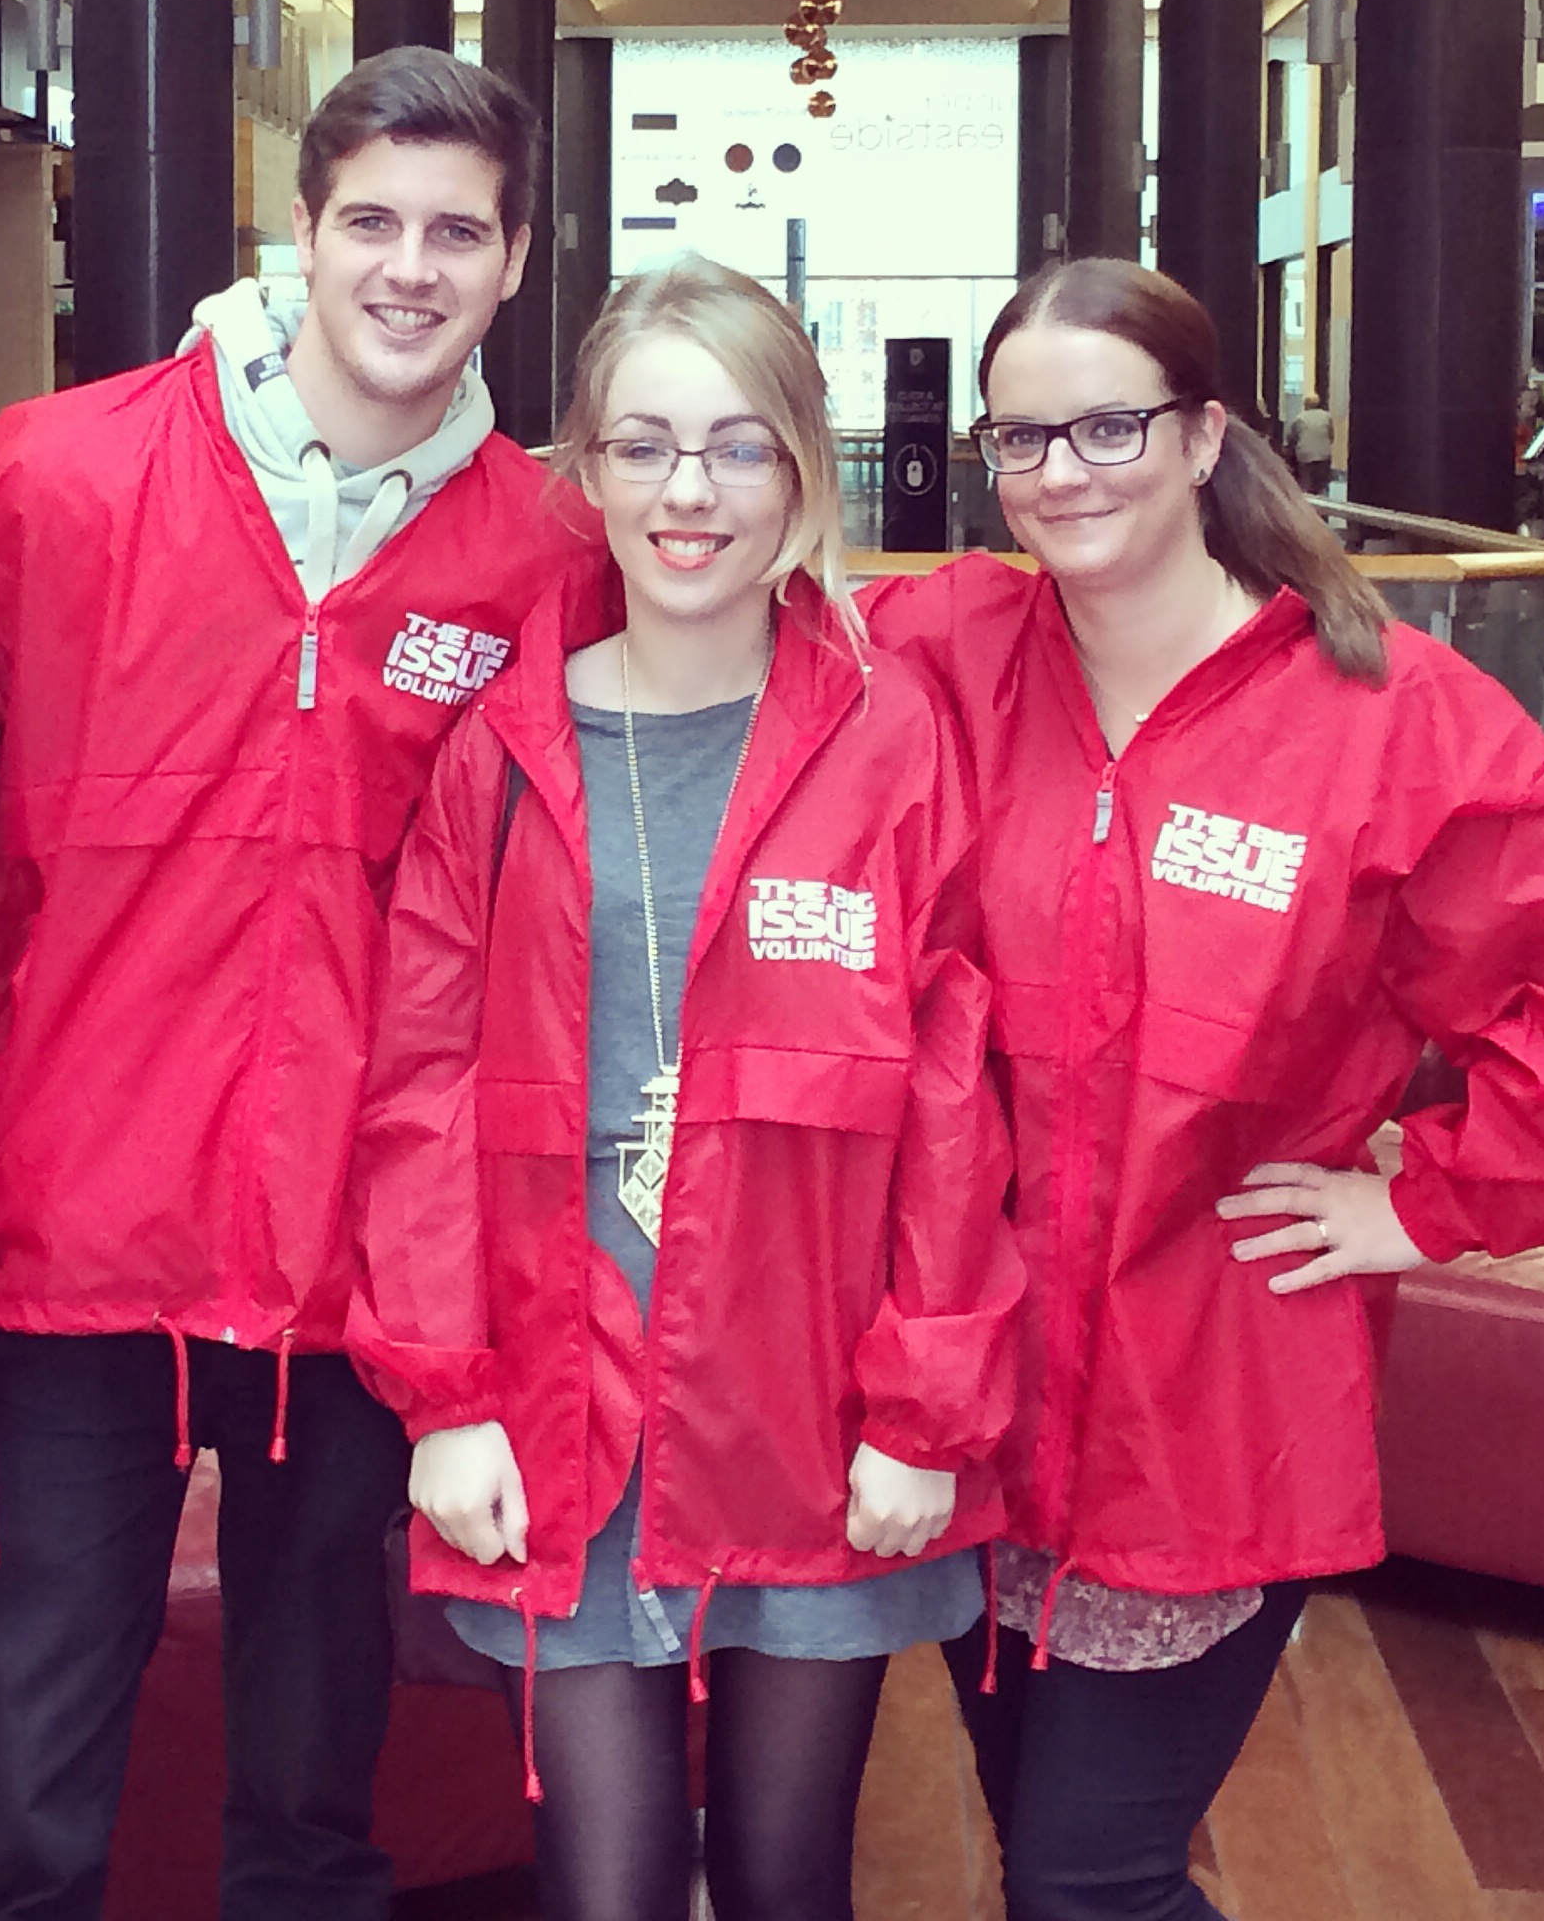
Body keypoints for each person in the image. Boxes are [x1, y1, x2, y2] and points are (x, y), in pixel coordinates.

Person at [860, 257, 1544, 1921]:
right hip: (971, 1387)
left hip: (1210, 1397)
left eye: (1109, 425)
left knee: (1090, 1880)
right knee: (1042, 1854)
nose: (1061, 472)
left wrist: (1423, 1200)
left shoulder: (1385, 718)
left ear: (1205, 435)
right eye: (1020, 437)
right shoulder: (947, 650)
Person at [0, 45, 593, 1921]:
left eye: (455, 233)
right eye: (370, 221)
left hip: (364, 1261)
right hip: (72, 1237)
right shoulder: (51, 476)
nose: (408, 268)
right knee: (20, 1785)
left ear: (513, 261)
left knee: (314, 1799)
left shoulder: (548, 557)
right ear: (300, 231)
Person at [347, 260, 1022, 1921]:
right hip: (558, 1371)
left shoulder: (891, 737)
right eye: (643, 447)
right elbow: (420, 1093)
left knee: (789, 1874)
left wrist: (922, 1412)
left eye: (736, 447)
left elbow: (951, 1101)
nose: (688, 493)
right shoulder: (502, 750)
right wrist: (445, 1398)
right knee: (608, 1879)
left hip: (810, 1374)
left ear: (801, 469)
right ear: (584, 472)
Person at [1287, 391, 1332, 496]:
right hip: (1324, 454)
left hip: (1305, 455)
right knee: (1322, 484)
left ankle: (1307, 502)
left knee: (1306, 483)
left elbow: (1292, 437)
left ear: (1305, 404)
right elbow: (1331, 436)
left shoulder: (1300, 418)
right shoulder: (1327, 416)